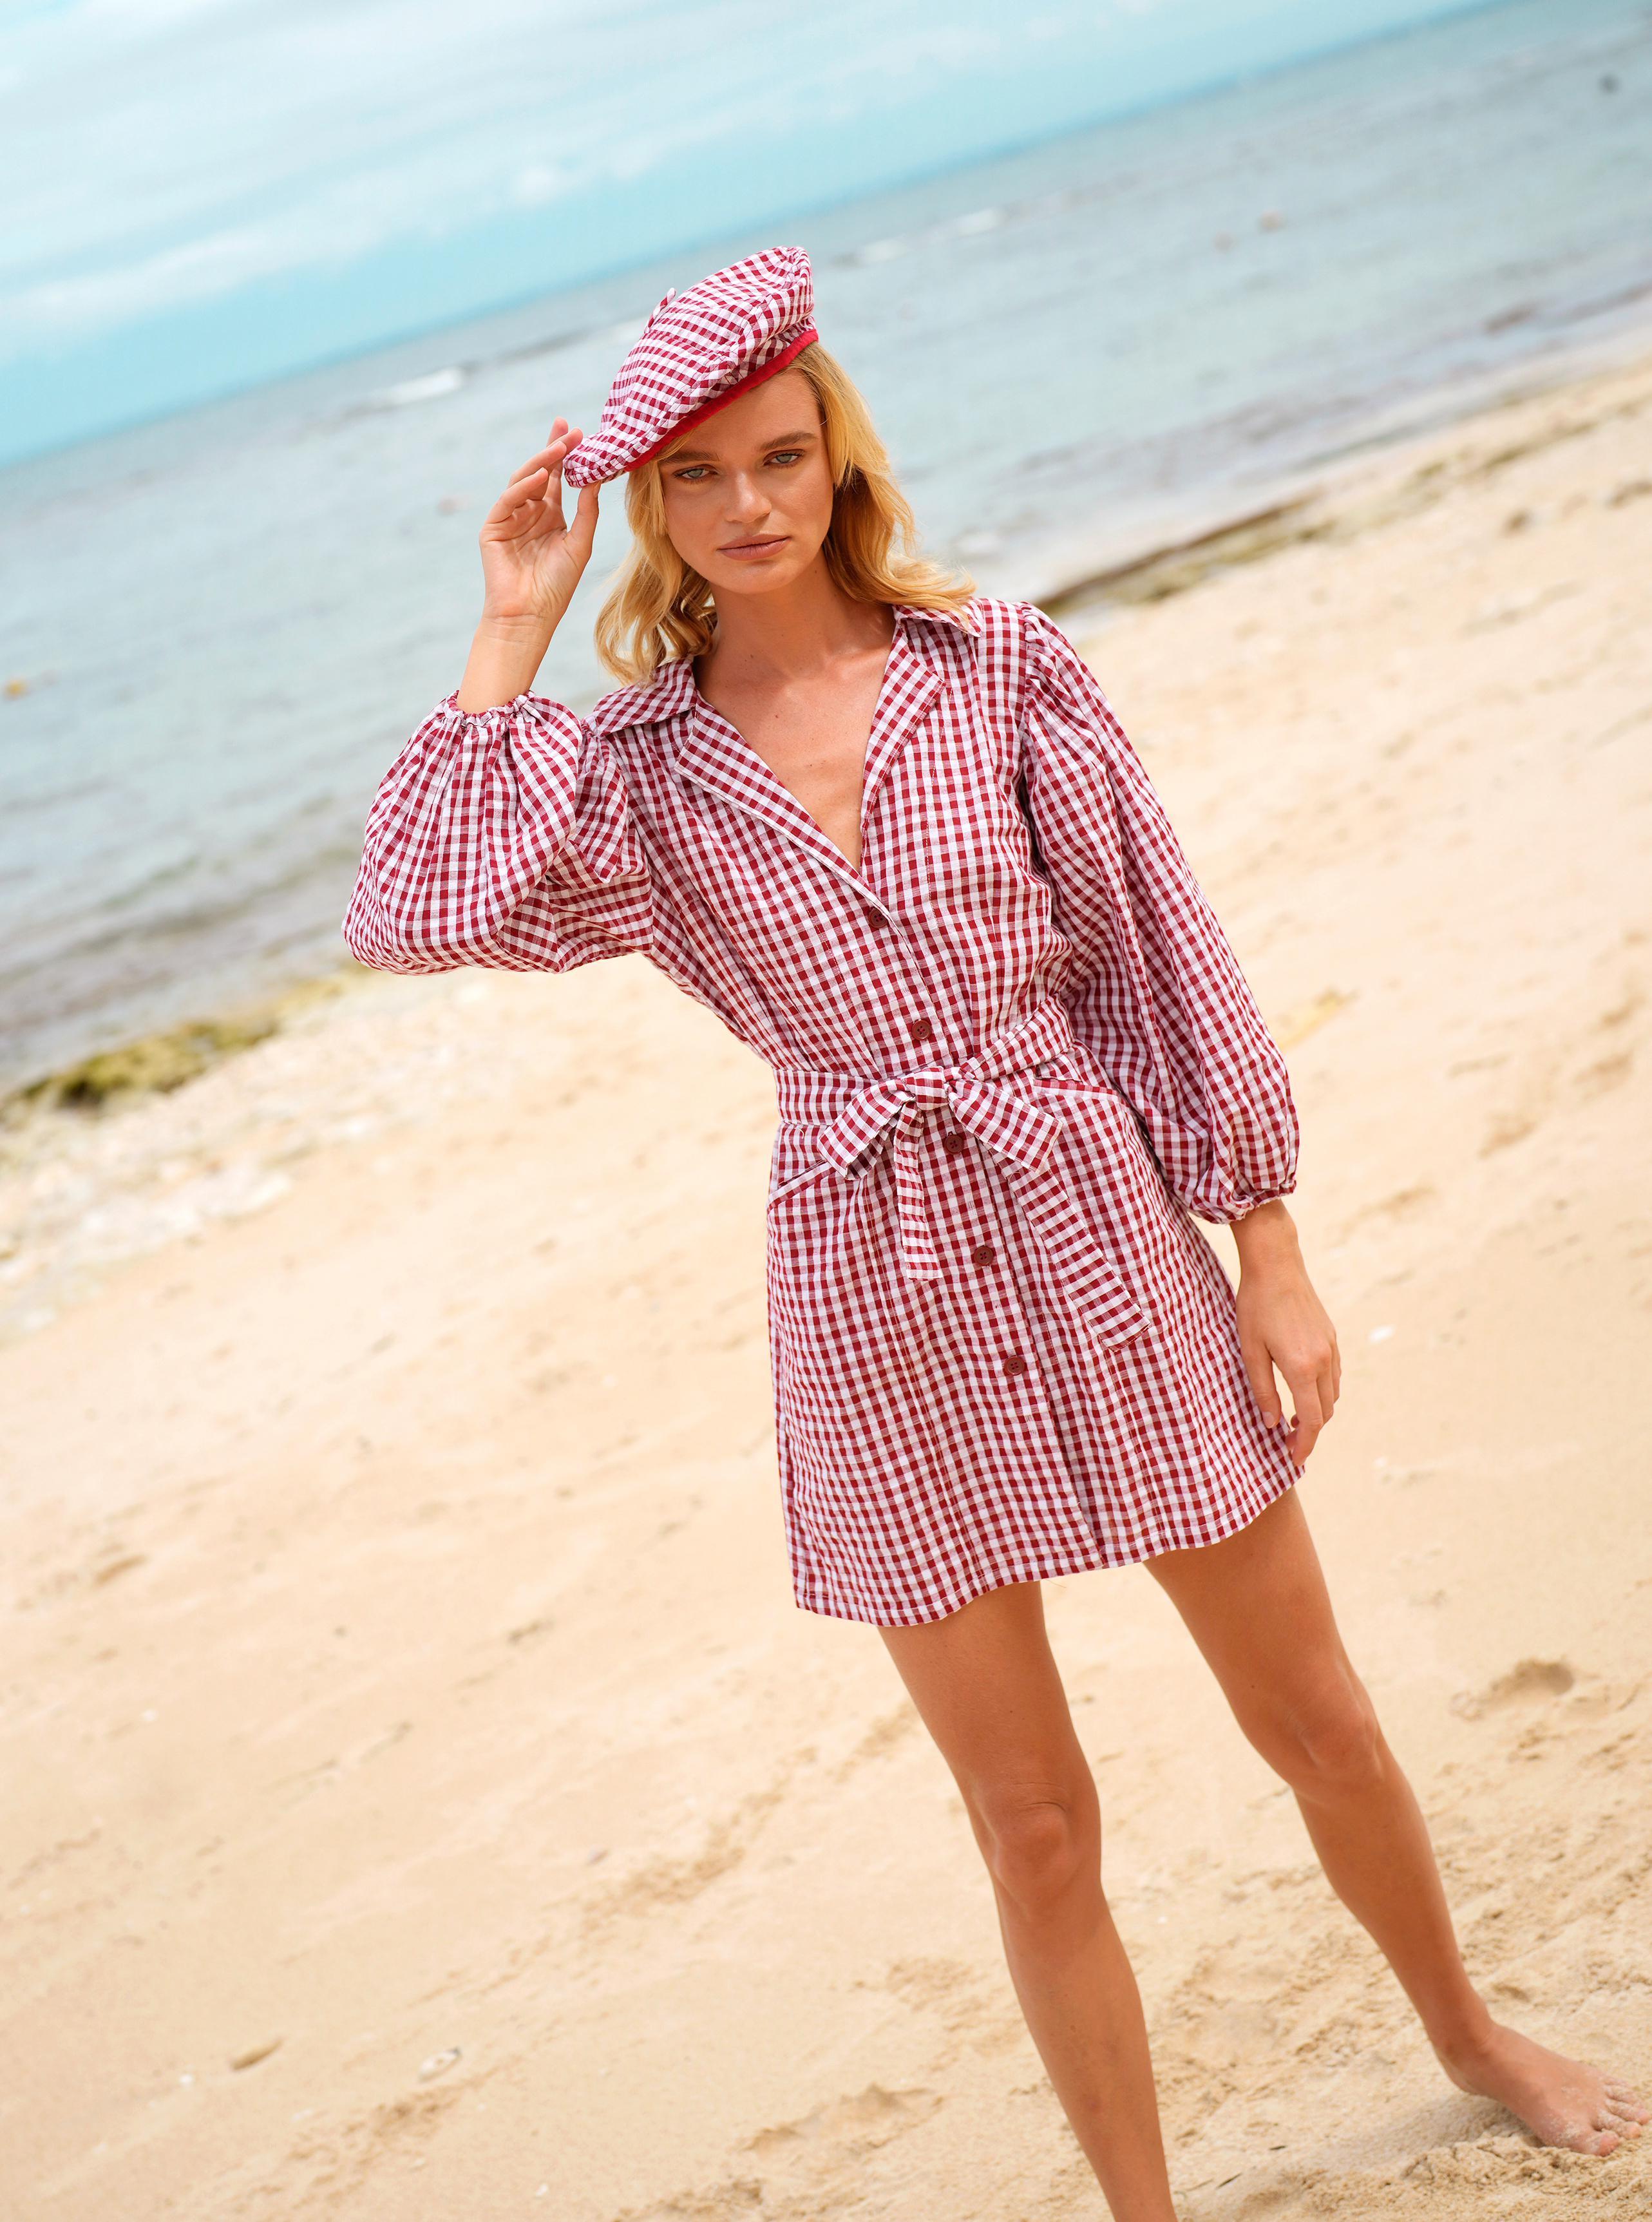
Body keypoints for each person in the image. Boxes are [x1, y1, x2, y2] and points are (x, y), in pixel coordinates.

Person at [345, 248, 1644, 2217]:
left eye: (782, 457)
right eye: (697, 477)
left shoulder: (1001, 669)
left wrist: (1268, 1239)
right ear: (654, 509)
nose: (752, 505)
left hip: (1101, 1228)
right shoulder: (625, 770)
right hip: (870, 1296)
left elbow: (1159, 955)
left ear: (840, 455)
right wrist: (511, 623)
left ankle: (1466, 2030)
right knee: (1034, 1825)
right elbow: (418, 908)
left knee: (1318, 1717)